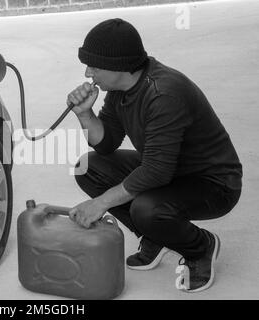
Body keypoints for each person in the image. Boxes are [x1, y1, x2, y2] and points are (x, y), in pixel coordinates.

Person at [67, 18, 242, 293]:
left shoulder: (164, 94)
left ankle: (201, 247)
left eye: (94, 66)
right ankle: (155, 236)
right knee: (88, 168)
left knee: (146, 209)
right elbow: (106, 144)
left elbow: (156, 172)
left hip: (214, 182)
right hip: (168, 168)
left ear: (120, 66)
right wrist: (84, 114)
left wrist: (100, 203)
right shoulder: (121, 89)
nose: (89, 73)